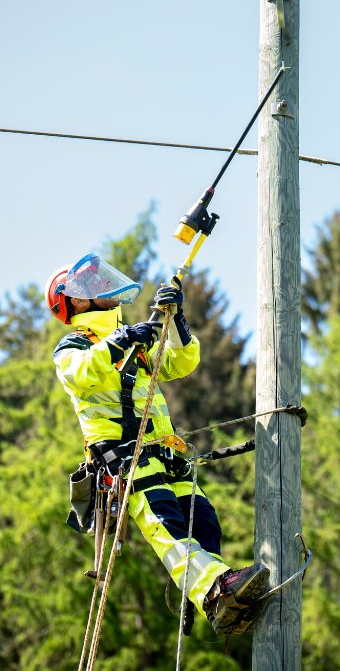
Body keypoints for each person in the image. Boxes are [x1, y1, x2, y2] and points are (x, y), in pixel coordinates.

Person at [45, 253, 268, 636]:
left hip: (166, 455)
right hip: (126, 462)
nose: (103, 288)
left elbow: (181, 362)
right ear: (76, 300)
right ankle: (213, 591)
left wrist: (175, 318)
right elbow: (81, 374)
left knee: (205, 524)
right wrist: (119, 342)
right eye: (91, 286)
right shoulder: (75, 346)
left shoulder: (134, 340)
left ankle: (207, 591)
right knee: (168, 527)